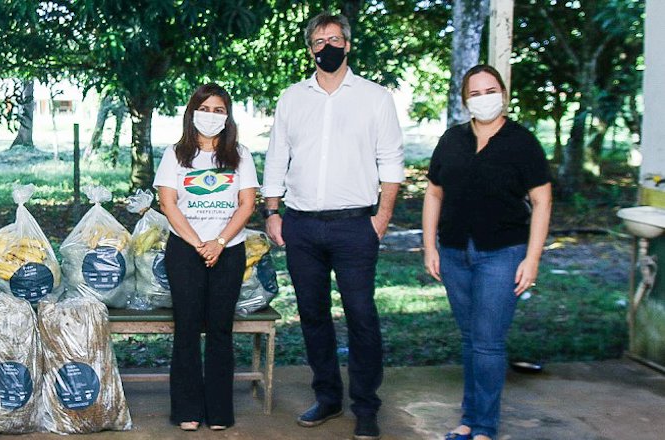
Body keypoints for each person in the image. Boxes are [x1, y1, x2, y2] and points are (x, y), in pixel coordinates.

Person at [261, 12, 405, 440]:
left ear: (348, 45)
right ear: (310, 48)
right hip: (301, 226)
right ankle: (327, 396)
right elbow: (276, 156)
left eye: (335, 39)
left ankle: (365, 405)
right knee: (312, 315)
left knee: (361, 315)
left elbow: (392, 163)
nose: (328, 46)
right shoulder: (292, 97)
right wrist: (272, 211)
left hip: (355, 225)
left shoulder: (375, 97)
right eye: (319, 40)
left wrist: (381, 218)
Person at [422, 64, 552, 440]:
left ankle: (484, 427)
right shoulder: (452, 140)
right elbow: (433, 192)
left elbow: (542, 202)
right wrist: (430, 246)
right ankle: (469, 419)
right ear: (465, 100)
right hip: (454, 252)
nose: (484, 99)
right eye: (475, 93)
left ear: (504, 94)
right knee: (471, 339)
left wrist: (533, 257)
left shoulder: (522, 142)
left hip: (503, 253)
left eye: (490, 90)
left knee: (489, 342)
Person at [154, 83, 259, 432]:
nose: (211, 116)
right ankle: (187, 410)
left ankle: (219, 412)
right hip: (185, 250)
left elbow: (247, 204)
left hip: (228, 250)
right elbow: (168, 204)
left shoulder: (240, 154)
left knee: (219, 330)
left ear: (227, 116)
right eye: (204, 108)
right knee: (186, 329)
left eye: (218, 110)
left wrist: (219, 241)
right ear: (192, 112)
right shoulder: (175, 154)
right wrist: (200, 243)